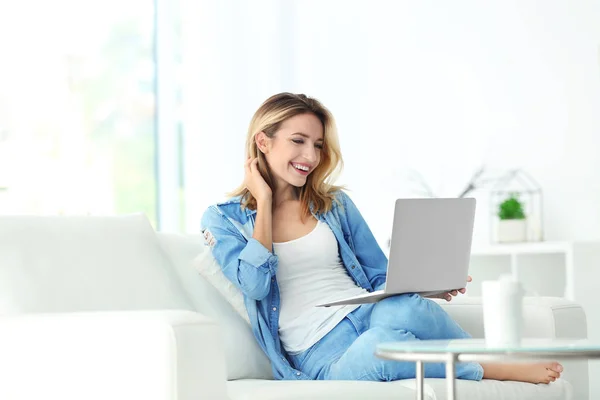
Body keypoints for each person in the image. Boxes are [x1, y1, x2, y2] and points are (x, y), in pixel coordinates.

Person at [200, 92, 563, 383]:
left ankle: (489, 357)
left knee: (405, 307)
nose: (310, 156)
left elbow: (378, 275)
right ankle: (493, 368)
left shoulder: (334, 203)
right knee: (380, 346)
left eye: (318, 144)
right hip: (322, 353)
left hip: (367, 313)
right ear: (263, 142)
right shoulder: (223, 219)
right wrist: (263, 202)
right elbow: (255, 284)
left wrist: (422, 285)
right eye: (298, 141)